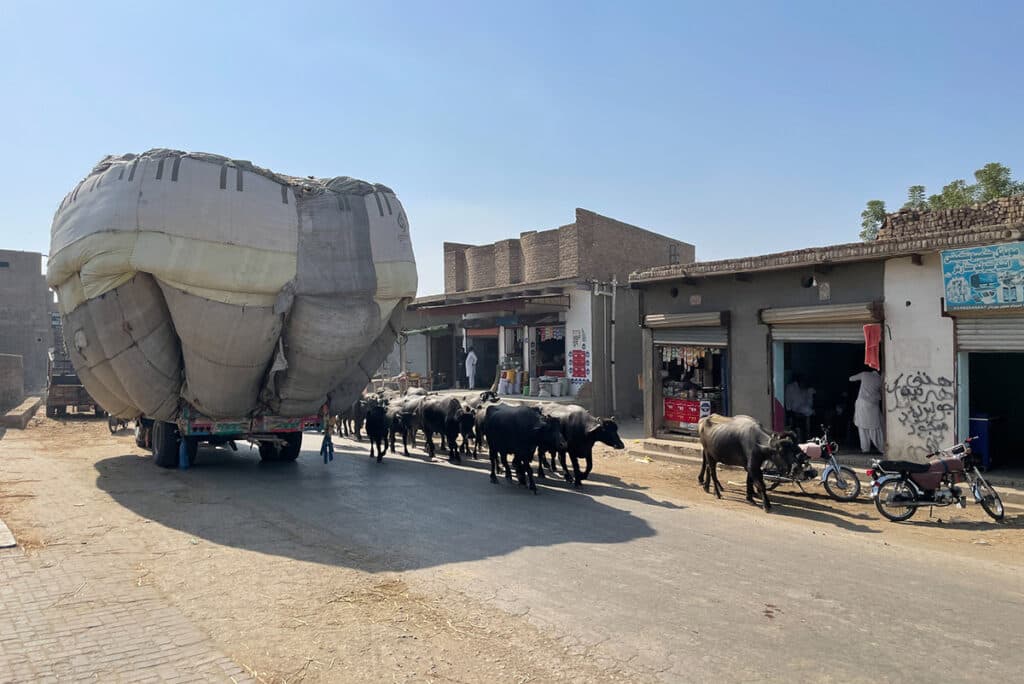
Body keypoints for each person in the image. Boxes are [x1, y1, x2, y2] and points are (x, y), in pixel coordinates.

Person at [849, 367, 884, 454]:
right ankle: (882, 448)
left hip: (862, 403)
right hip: (873, 405)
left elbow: (851, 378)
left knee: (862, 428)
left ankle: (865, 449)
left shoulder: (864, 374)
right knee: (875, 428)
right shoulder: (880, 379)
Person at [784, 373, 816, 441]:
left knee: (807, 410)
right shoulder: (790, 387)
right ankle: (805, 436)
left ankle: (808, 436)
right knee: (807, 411)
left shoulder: (807, 389)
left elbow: (809, 404)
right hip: (794, 410)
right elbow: (788, 403)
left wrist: (810, 393)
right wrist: (790, 414)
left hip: (805, 410)